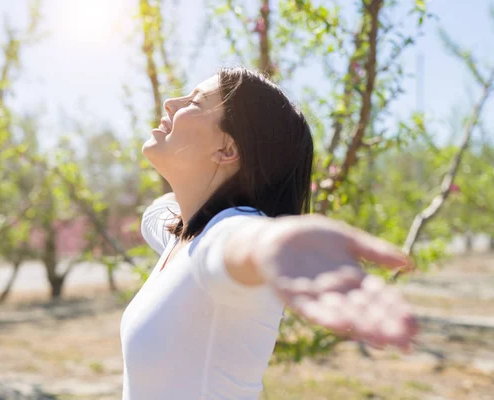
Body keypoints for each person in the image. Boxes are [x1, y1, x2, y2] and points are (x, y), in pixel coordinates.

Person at [120, 67, 417, 399]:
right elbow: (157, 213)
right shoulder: (183, 237)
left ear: (227, 150)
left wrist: (272, 243)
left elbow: (237, 240)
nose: (172, 103)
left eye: (196, 102)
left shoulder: (227, 233)